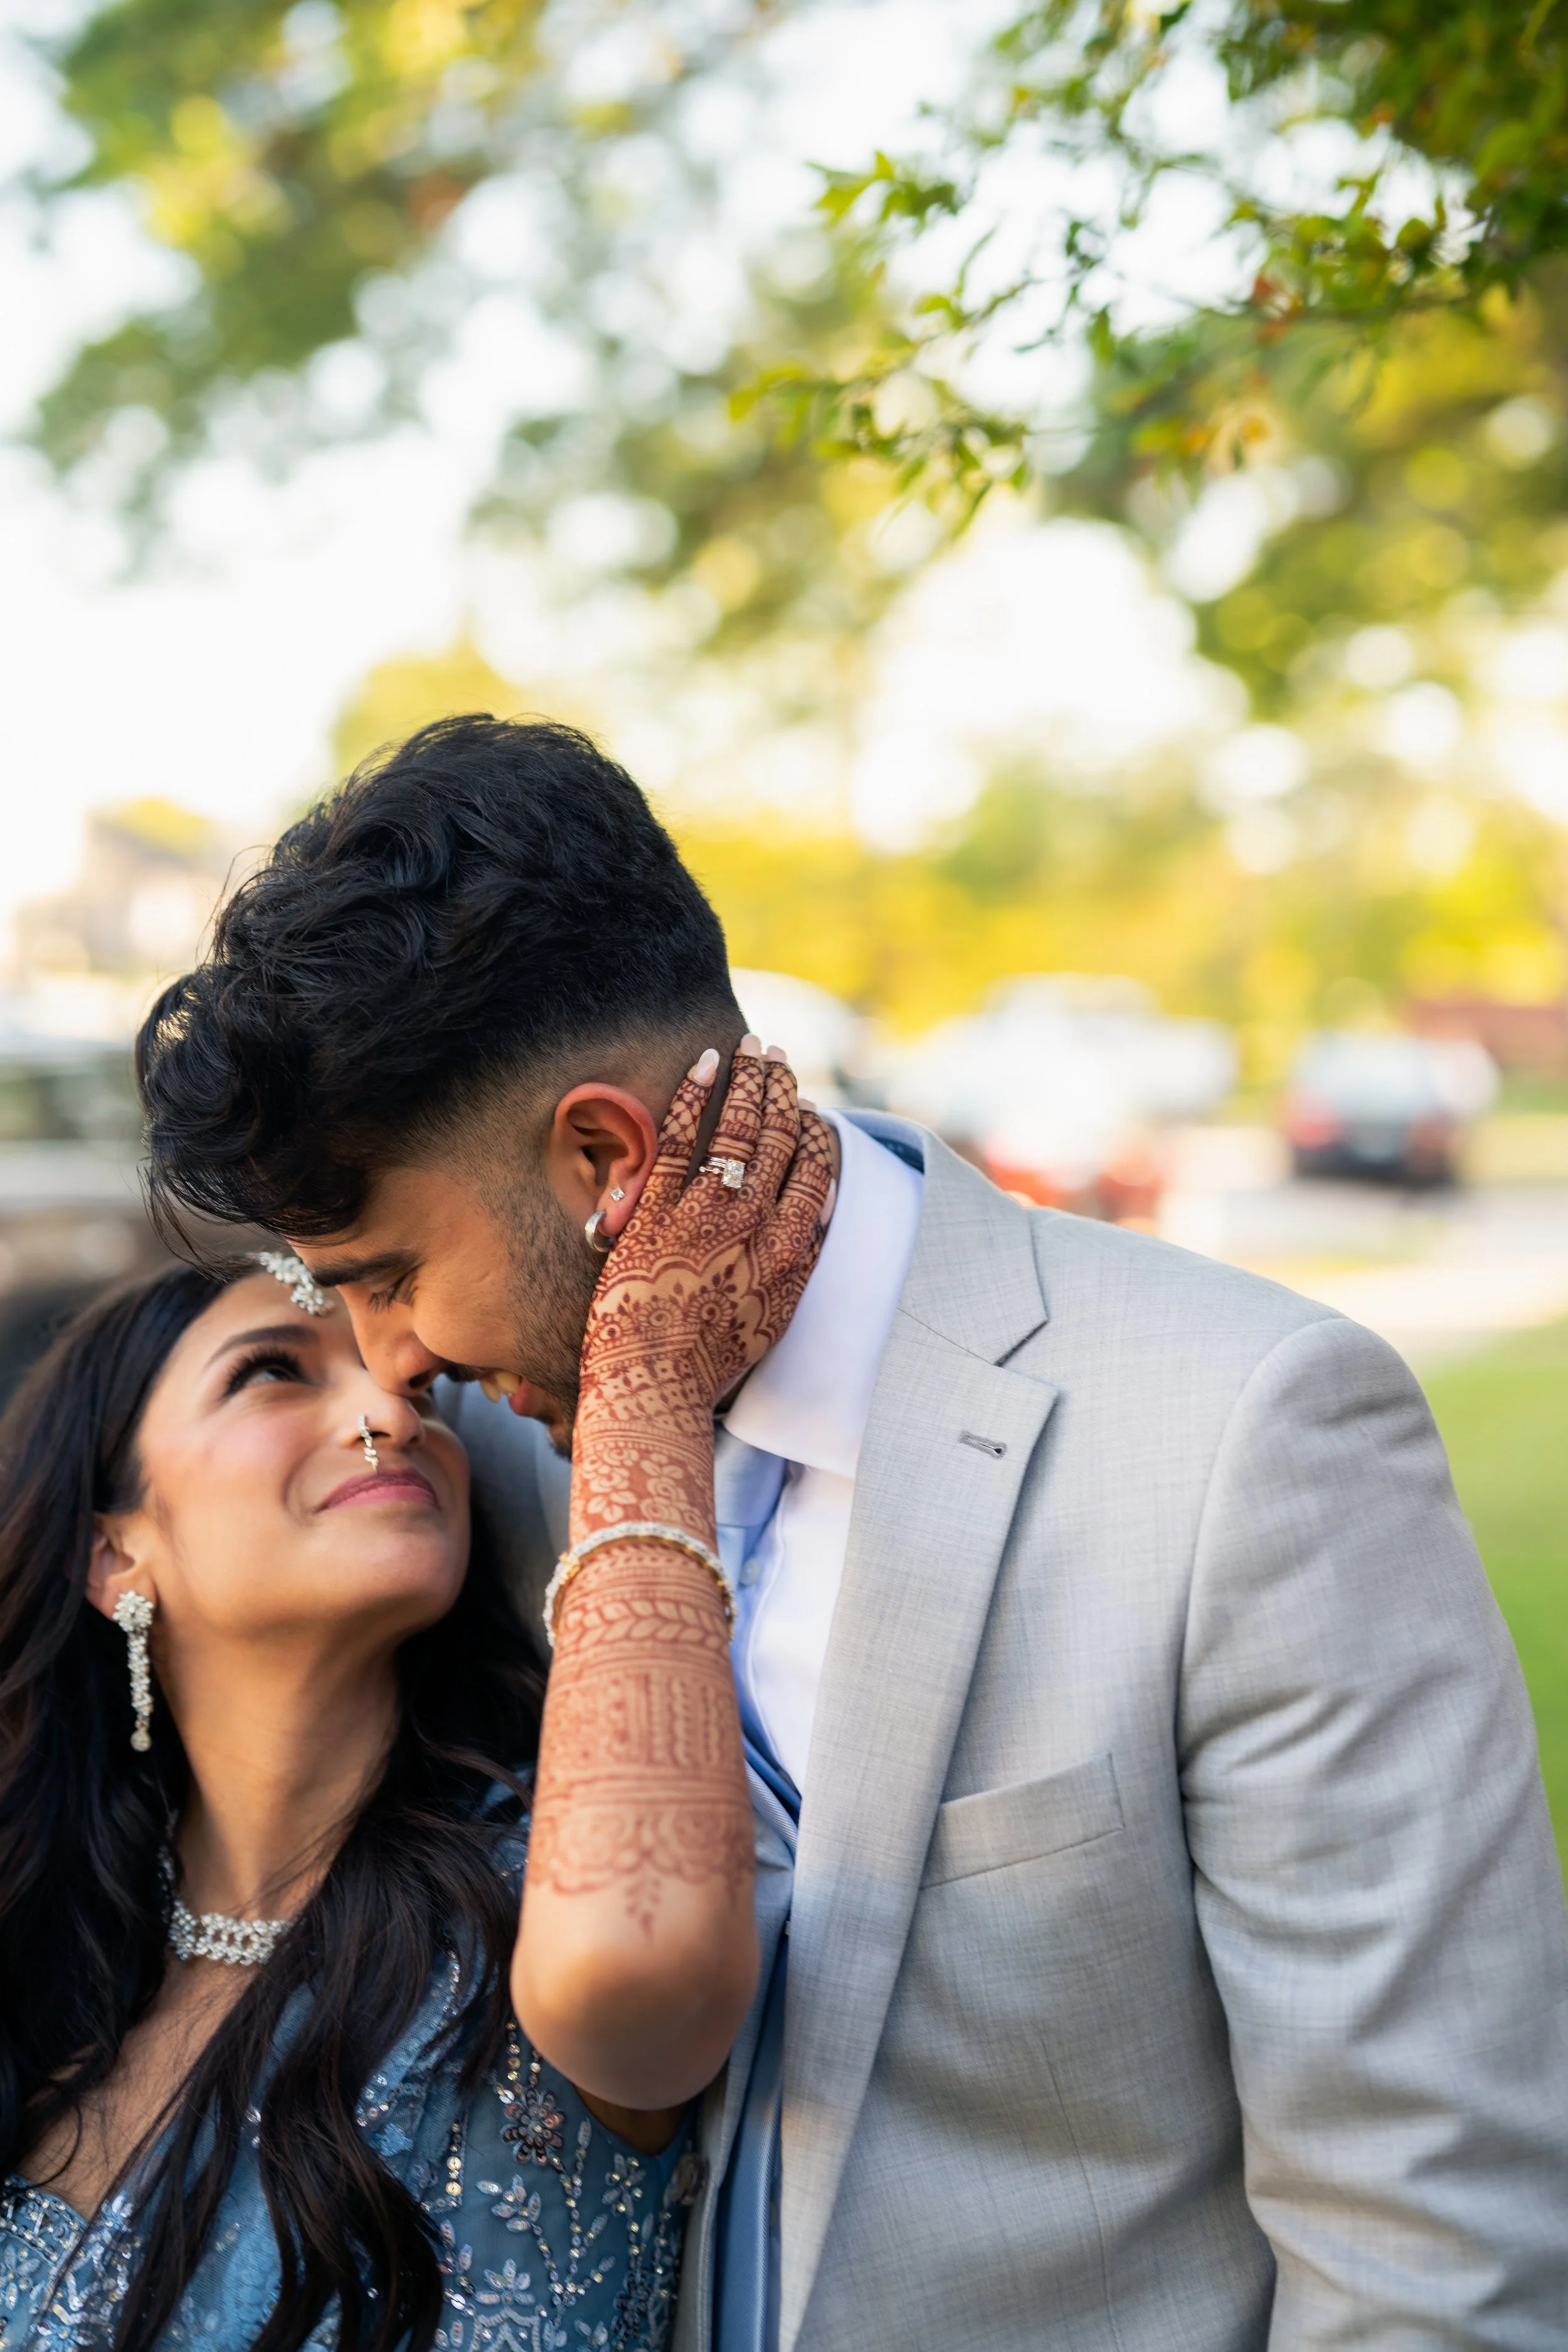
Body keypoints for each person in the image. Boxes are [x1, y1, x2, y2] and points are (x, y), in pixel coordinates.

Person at [136, 715, 1568, 2352]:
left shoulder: (1243, 1434)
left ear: (604, 1158)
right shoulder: (472, 1475)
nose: (386, 1363)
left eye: (390, 1273)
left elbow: (1431, 2252)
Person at [0, 1037, 829, 2352]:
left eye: (414, 1386)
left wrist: (643, 1392)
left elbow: (648, 1980)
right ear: (117, 1553)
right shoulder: (51, 1965)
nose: (393, 1415)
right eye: (275, 1371)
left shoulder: (534, 1901)